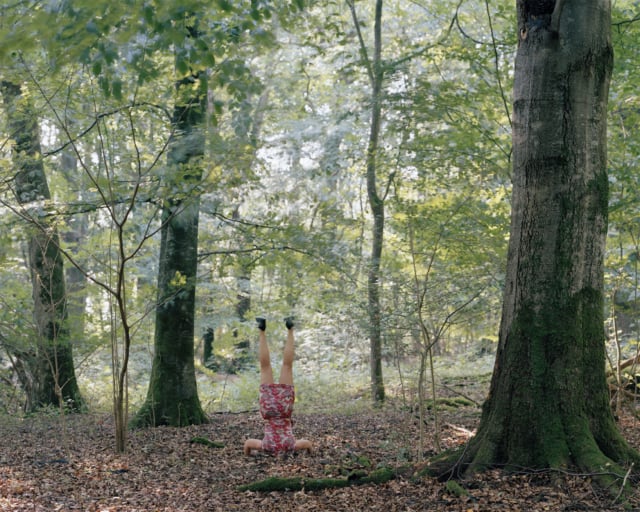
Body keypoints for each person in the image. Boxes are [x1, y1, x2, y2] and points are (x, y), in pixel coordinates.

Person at [243, 317, 313, 456]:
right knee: (265, 367)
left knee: (287, 366)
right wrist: (248, 454)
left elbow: (307, 444)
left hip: (284, 408)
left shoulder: (291, 446)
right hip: (268, 408)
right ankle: (261, 330)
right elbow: (248, 444)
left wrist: (310, 452)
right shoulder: (266, 446)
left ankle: (290, 329)